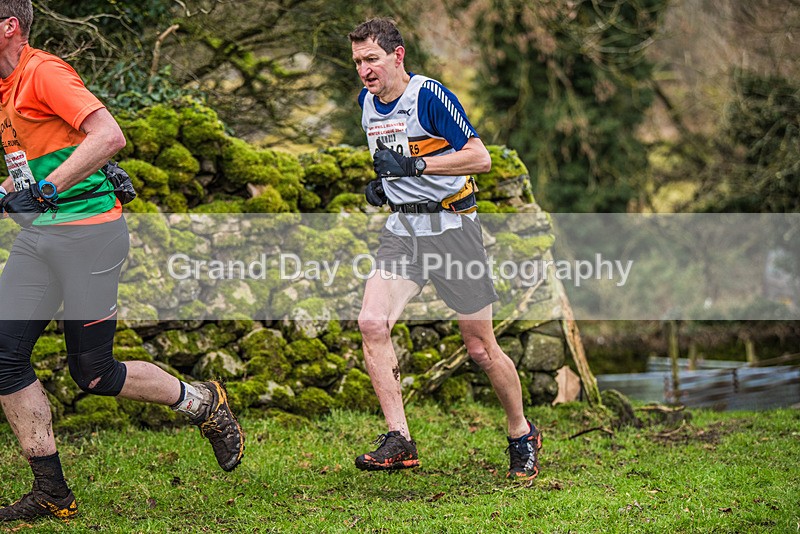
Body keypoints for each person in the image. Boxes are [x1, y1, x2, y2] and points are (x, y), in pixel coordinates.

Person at [0, 1, 244, 522]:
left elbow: (109, 136)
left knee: (94, 372)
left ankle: (203, 402)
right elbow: (36, 165)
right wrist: (19, 193)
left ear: (9, 28)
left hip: (90, 238)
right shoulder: (3, 90)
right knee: (3, 355)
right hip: (40, 239)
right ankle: (52, 493)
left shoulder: (42, 73)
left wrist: (45, 189)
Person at [349, 18, 542, 479]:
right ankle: (400, 439)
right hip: (403, 231)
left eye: (371, 59)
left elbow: (480, 157)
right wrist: (385, 186)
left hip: (453, 229)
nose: (364, 71)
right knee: (372, 322)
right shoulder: (366, 104)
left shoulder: (429, 96)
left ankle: (521, 432)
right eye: (357, 62)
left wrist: (415, 166)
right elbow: (391, 160)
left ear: (397, 56)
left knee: (480, 348)